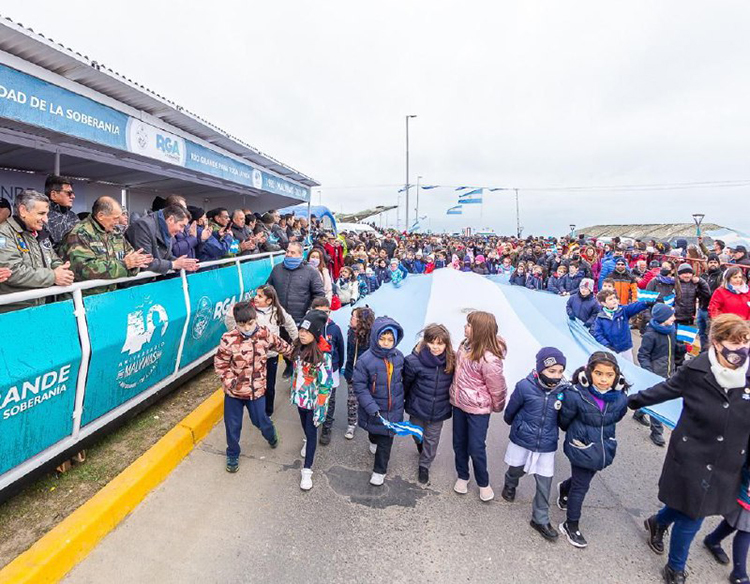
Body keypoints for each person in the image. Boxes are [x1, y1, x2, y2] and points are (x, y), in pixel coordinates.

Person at [629, 314, 750, 584]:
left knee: (690, 507)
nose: (741, 349)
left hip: (729, 460)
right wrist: (631, 400)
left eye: (745, 342)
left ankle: (658, 522)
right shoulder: (696, 370)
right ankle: (675, 568)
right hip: (692, 454)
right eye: (735, 342)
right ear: (717, 343)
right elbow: (665, 390)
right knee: (694, 513)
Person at [557, 351, 629, 549]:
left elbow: (618, 416)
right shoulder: (575, 395)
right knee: (581, 486)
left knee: (584, 478)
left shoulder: (620, 399)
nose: (603, 379)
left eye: (609, 375)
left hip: (602, 449)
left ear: (617, 377)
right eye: (598, 373)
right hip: (581, 446)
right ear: (588, 373)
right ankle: (570, 524)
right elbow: (564, 420)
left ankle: (564, 488)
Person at [213, 302, 292, 473]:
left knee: (260, 420)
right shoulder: (228, 339)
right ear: (236, 323)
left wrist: (300, 356)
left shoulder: (264, 334)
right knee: (232, 425)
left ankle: (271, 434)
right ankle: (232, 454)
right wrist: (231, 383)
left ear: (256, 319)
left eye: (250, 323)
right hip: (234, 393)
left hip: (256, 391)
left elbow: (283, 347)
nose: (247, 328)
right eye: (242, 325)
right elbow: (221, 365)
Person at [502, 347, 569, 542]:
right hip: (523, 438)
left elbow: (564, 419)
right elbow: (511, 410)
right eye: (551, 371)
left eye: (560, 371)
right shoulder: (525, 386)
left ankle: (540, 519)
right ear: (540, 369)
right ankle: (510, 482)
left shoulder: (564, 392)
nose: (556, 376)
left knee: (544, 481)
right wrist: (513, 423)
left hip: (547, 443)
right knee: (517, 468)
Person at [450, 311, 507, 501]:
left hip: (478, 409)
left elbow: (497, 387)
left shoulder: (489, 359)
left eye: (469, 325)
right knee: (459, 442)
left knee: (476, 446)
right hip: (459, 404)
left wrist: (497, 406)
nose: (465, 327)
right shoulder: (464, 345)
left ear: (479, 330)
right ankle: (462, 475)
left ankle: (483, 482)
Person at [60, 197, 153, 295]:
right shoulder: (80, 233)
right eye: (115, 218)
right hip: (84, 298)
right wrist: (124, 265)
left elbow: (132, 257)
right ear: (101, 215)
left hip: (110, 295)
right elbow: (85, 270)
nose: (118, 222)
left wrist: (134, 264)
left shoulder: (115, 233)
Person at [0, 190, 73, 313]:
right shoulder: (3, 234)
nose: (46, 220)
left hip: (44, 306)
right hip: (17, 311)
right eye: (41, 213)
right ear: (23, 211)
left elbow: (53, 259)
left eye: (47, 214)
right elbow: (12, 272)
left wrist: (62, 270)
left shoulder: (40, 233)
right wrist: (53, 276)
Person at [353, 316, 406, 486]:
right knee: (374, 433)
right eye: (382, 338)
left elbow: (404, 379)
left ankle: (379, 471)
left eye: (390, 339)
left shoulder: (399, 357)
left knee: (386, 440)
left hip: (393, 409)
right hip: (374, 408)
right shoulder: (365, 360)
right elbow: (359, 386)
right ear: (376, 337)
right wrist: (370, 406)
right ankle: (373, 440)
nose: (386, 343)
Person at [404, 324, 455, 484]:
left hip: (439, 409)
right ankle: (420, 444)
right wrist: (405, 400)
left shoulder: (451, 361)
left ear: (446, 344)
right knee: (416, 432)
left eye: (440, 343)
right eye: (432, 342)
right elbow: (406, 383)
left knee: (432, 440)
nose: (435, 347)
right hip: (418, 406)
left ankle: (424, 465)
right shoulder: (414, 361)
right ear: (425, 342)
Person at [292, 310, 334, 491]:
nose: (302, 334)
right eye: (301, 330)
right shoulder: (298, 348)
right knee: (306, 429)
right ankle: (308, 441)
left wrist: (320, 409)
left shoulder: (324, 356)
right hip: (300, 400)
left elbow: (326, 385)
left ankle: (307, 470)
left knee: (311, 434)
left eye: (307, 332)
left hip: (313, 404)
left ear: (316, 334)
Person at [634, 303, 685, 447]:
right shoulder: (650, 335)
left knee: (654, 399)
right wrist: (649, 371)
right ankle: (656, 431)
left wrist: (682, 348)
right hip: (655, 373)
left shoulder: (672, 331)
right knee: (658, 402)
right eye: (671, 316)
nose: (674, 318)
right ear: (663, 318)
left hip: (669, 371)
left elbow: (674, 351)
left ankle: (639, 412)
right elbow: (643, 355)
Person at [703, 450, 750, 584]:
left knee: (738, 520)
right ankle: (739, 574)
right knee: (746, 530)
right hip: (746, 489)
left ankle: (713, 539)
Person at [250, 285, 298, 416]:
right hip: (254, 357)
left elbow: (290, 324)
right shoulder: (250, 311)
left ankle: (268, 412)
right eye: (256, 295)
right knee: (255, 385)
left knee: (269, 386)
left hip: (271, 356)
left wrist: (297, 341)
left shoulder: (277, 311)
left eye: (260, 296)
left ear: (269, 300)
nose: (256, 298)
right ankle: (257, 411)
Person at [125, 204, 199, 274]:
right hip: (135, 281)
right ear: (170, 219)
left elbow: (167, 257)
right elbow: (144, 262)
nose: (182, 231)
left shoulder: (167, 229)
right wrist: (173, 264)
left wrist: (182, 264)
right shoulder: (143, 226)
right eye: (181, 226)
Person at [266, 242, 325, 325]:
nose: (288, 254)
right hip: (279, 319)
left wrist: (310, 312)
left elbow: (319, 294)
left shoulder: (311, 271)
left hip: (300, 321)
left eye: (292, 252)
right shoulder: (277, 269)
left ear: (300, 254)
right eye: (287, 251)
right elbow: (268, 290)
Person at [315, 297, 345, 446]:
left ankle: (327, 428)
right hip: (314, 371)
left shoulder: (335, 329)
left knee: (330, 399)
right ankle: (314, 423)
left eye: (326, 312)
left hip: (331, 370)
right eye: (319, 312)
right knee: (315, 397)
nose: (323, 315)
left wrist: (337, 367)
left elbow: (341, 349)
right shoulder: (309, 328)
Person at [592, 289, 650, 363]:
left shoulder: (623, 310)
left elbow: (634, 307)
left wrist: (646, 303)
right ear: (603, 303)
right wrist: (606, 345)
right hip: (611, 349)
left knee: (629, 366)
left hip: (626, 348)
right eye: (610, 299)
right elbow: (598, 334)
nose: (614, 300)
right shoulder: (600, 318)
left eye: (614, 297)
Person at [343, 307, 375, 439]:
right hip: (352, 373)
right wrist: (348, 373)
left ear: (361, 321)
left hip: (366, 376)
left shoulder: (372, 337)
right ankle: (351, 424)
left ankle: (371, 427)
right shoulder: (351, 332)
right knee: (352, 400)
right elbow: (350, 354)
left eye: (353, 317)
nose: (350, 319)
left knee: (367, 400)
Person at [43, 174, 79, 251]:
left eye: (73, 193)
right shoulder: (43, 217)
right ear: (53, 195)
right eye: (69, 193)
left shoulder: (73, 216)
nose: (73, 196)